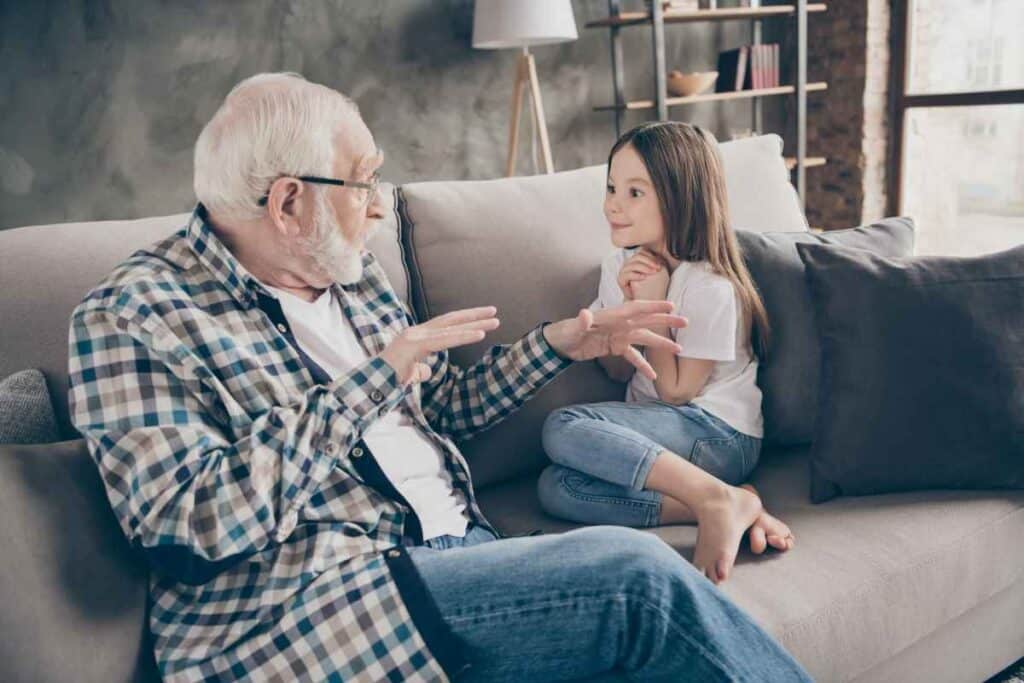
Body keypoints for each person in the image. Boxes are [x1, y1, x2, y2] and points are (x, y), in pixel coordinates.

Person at [68, 73, 811, 681]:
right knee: (637, 579)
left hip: (462, 559)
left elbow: (442, 413)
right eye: (362, 182)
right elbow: (185, 528)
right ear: (289, 202)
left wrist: (560, 343)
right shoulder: (136, 314)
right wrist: (370, 382)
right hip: (322, 605)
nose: (380, 203)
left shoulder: (346, 276)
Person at [538, 122, 795, 586]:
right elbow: (617, 369)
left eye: (635, 192)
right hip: (660, 432)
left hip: (717, 433)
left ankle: (717, 496)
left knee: (563, 427)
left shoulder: (710, 286)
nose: (613, 204)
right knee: (557, 489)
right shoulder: (617, 267)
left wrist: (655, 305)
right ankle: (726, 501)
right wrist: (624, 311)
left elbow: (677, 392)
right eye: (612, 187)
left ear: (680, 199)